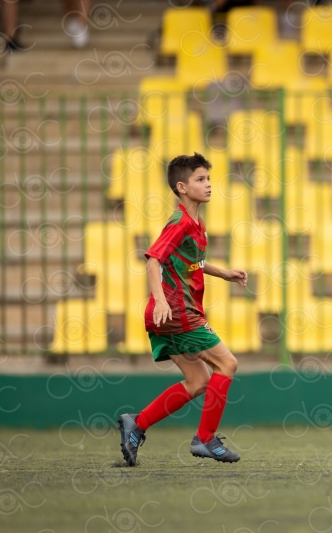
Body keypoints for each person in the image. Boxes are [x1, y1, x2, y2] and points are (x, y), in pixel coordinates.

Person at [118, 153, 248, 466]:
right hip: (177, 313)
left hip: (169, 316)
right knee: (227, 364)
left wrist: (224, 273)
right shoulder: (180, 222)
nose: (208, 185)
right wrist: (161, 298)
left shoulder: (195, 223)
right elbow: (153, 261)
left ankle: (137, 423)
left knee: (198, 381)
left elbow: (193, 262)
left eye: (208, 178)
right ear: (182, 187)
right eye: (200, 180)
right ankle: (205, 439)